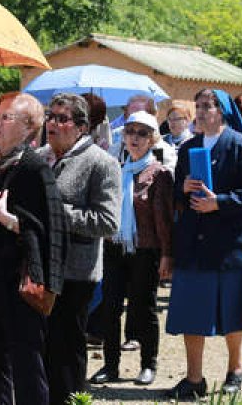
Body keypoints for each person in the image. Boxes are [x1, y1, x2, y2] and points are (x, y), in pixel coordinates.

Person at [0, 92, 67, 405]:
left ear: (28, 127)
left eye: (7, 117)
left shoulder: (35, 168)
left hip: (18, 282)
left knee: (26, 366)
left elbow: (50, 228)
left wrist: (8, 219)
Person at [165, 88, 242, 399]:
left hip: (230, 245)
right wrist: (182, 187)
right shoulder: (188, 147)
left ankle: (235, 369)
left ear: (222, 111)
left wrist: (218, 202)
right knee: (191, 313)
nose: (202, 111)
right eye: (198, 106)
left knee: (232, 313)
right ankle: (194, 379)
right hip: (194, 243)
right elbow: (177, 197)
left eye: (208, 106)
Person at [39, 93, 120, 405]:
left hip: (75, 273)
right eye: (50, 116)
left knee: (65, 354)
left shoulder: (102, 163)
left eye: (62, 118)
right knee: (41, 351)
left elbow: (108, 222)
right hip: (38, 268)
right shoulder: (41, 157)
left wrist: (58, 213)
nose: (53, 123)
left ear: (82, 128)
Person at [90, 111, 173, 388]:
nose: (135, 138)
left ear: (152, 140)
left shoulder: (159, 173)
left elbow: (163, 219)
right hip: (113, 247)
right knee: (110, 307)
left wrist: (166, 254)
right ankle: (110, 365)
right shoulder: (115, 167)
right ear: (123, 136)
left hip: (145, 250)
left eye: (142, 133)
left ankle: (149, 363)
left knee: (143, 308)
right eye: (130, 132)